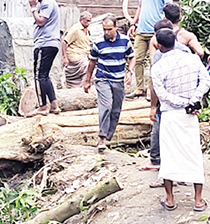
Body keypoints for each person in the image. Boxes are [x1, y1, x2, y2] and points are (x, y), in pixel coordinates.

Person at [150, 28, 210, 211]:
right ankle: (198, 200)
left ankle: (170, 199)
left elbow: (162, 95)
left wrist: (182, 102)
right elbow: (206, 81)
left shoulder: (158, 67)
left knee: (168, 156)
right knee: (193, 154)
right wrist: (193, 100)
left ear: (159, 46)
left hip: (170, 115)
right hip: (189, 115)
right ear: (176, 40)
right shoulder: (192, 59)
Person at [144, 17, 193, 174]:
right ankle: (184, 163)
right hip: (187, 98)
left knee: (161, 128)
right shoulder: (186, 51)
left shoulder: (159, 56)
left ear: (158, 41)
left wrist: (153, 106)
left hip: (168, 100)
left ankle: (157, 160)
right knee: (183, 133)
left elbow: (155, 84)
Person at [83, 16, 134, 151]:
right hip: (103, 79)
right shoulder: (98, 42)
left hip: (118, 79)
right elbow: (92, 62)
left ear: (115, 28)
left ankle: (108, 136)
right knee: (106, 106)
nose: (106, 32)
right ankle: (102, 138)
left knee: (116, 110)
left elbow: (132, 56)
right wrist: (87, 80)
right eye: (104, 29)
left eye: (109, 29)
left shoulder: (124, 41)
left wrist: (130, 72)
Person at [133, 0, 172, 98]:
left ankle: (152, 89)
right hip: (141, 30)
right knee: (137, 59)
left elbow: (169, 8)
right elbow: (140, 6)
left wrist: (166, 27)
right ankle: (139, 88)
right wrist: (133, 23)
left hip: (156, 32)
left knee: (154, 61)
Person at [26, 0, 61, 115]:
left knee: (39, 76)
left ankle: (42, 106)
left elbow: (41, 22)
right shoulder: (49, 2)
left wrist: (34, 8)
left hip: (45, 43)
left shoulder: (46, 3)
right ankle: (54, 105)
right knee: (45, 76)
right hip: (50, 43)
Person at [62, 12, 92, 87]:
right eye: (87, 21)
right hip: (75, 54)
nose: (89, 23)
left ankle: (81, 86)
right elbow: (64, 42)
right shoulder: (75, 29)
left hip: (85, 54)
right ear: (81, 20)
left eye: (90, 21)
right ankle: (82, 85)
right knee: (88, 66)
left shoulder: (87, 30)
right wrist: (65, 57)